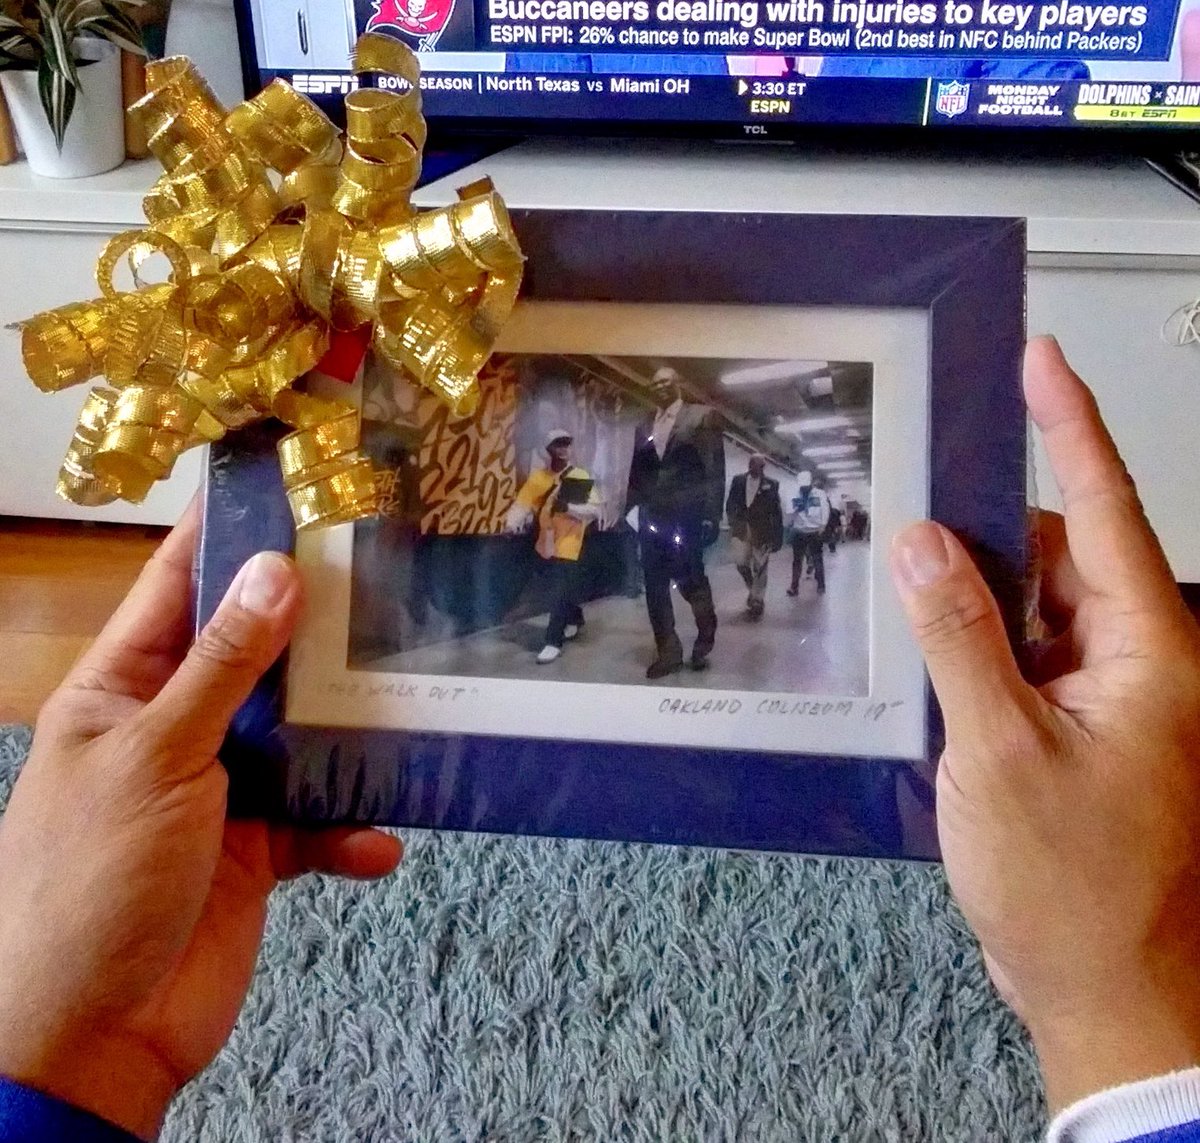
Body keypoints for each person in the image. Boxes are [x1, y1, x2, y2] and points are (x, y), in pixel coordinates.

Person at [2, 337, 1200, 1142]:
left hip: (671, 545)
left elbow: (696, 492)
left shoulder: (689, 465)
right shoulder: (599, 469)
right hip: (637, 552)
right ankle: (679, 633)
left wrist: (64, 1046)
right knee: (648, 604)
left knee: (669, 597)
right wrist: (1130, 1000)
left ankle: (692, 627)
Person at [626, 366, 726, 678]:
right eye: (654, 383)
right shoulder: (644, 425)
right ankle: (668, 652)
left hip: (688, 516)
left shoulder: (702, 417)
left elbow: (714, 469)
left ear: (678, 383)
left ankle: (705, 635)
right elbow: (637, 472)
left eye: (666, 381)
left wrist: (711, 516)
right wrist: (630, 508)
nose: (659, 387)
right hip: (651, 517)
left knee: (691, 580)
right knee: (655, 586)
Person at [504, 430, 601, 665]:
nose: (564, 448)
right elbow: (523, 503)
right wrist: (510, 523)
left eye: (567, 443)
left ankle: (552, 642)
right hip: (545, 541)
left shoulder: (579, 476)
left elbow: (594, 510)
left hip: (570, 543)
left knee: (559, 591)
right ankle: (575, 618)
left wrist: (567, 508)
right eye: (558, 444)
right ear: (549, 449)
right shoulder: (539, 477)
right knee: (560, 588)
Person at [725, 453, 784, 620]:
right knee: (740, 563)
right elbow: (730, 503)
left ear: (762, 467)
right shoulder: (738, 481)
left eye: (755, 464)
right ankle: (753, 589)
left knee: (761, 568)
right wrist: (732, 520)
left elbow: (776, 512)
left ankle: (757, 600)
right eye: (750, 463)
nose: (751, 467)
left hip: (762, 532)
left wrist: (777, 536)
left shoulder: (772, 485)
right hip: (741, 530)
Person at [786, 470, 831, 597]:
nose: (804, 488)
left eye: (807, 486)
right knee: (797, 561)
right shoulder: (793, 494)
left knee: (817, 559)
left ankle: (821, 585)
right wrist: (794, 510)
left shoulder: (820, 494)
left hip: (814, 531)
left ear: (811, 483)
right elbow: (788, 511)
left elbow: (825, 510)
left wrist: (823, 525)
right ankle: (794, 587)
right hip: (799, 530)